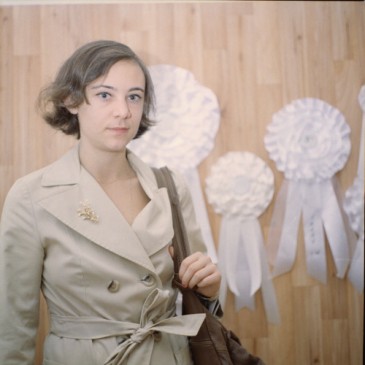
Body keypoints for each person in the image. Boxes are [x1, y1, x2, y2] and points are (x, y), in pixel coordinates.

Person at [0, 40, 221, 365]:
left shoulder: (169, 186)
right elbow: (14, 328)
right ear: (71, 100)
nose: (124, 111)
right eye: (105, 95)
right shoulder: (32, 196)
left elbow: (199, 288)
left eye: (134, 96)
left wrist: (211, 288)